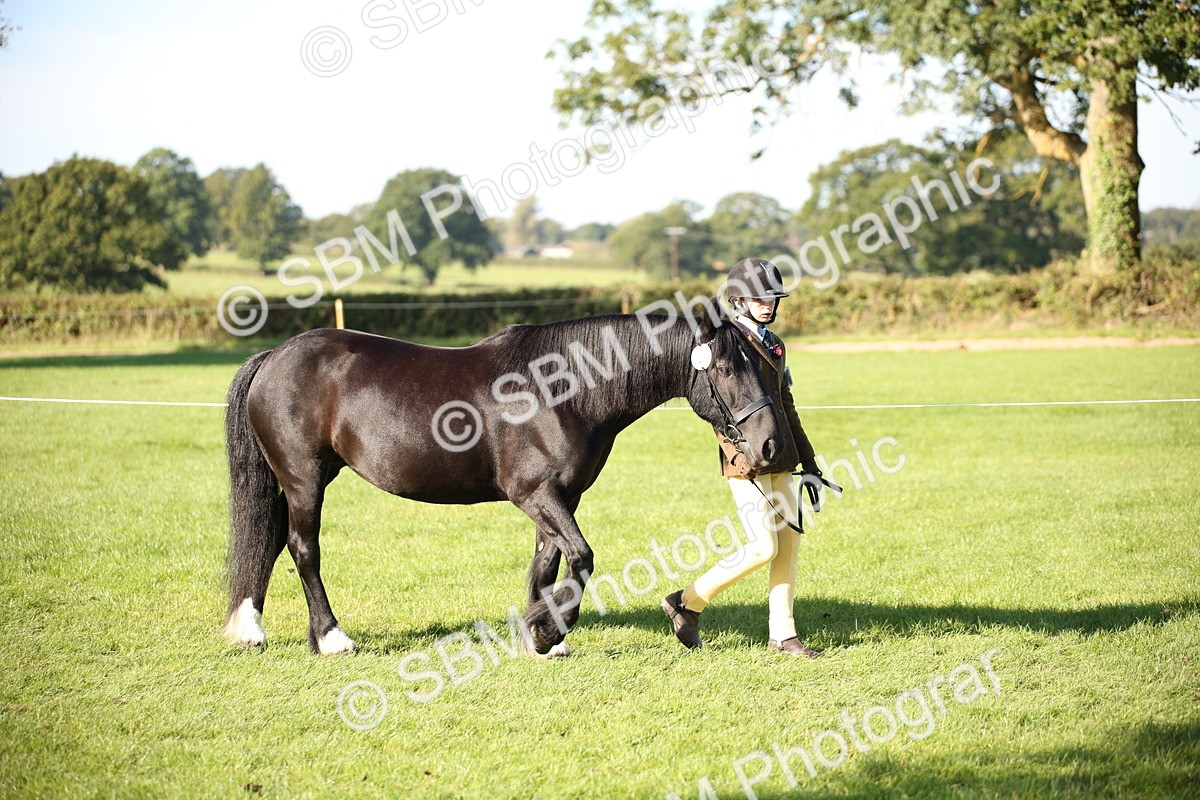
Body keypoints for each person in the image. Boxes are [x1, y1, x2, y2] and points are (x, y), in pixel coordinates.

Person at [661, 258, 827, 657]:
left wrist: (811, 463)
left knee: (787, 547)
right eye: (758, 298)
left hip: (782, 455)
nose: (767, 304)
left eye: (772, 298)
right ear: (738, 300)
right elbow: (721, 404)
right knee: (762, 548)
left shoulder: (775, 344)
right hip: (745, 460)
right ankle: (687, 601)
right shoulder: (725, 341)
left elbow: (786, 406)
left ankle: (783, 634)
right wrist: (740, 450)